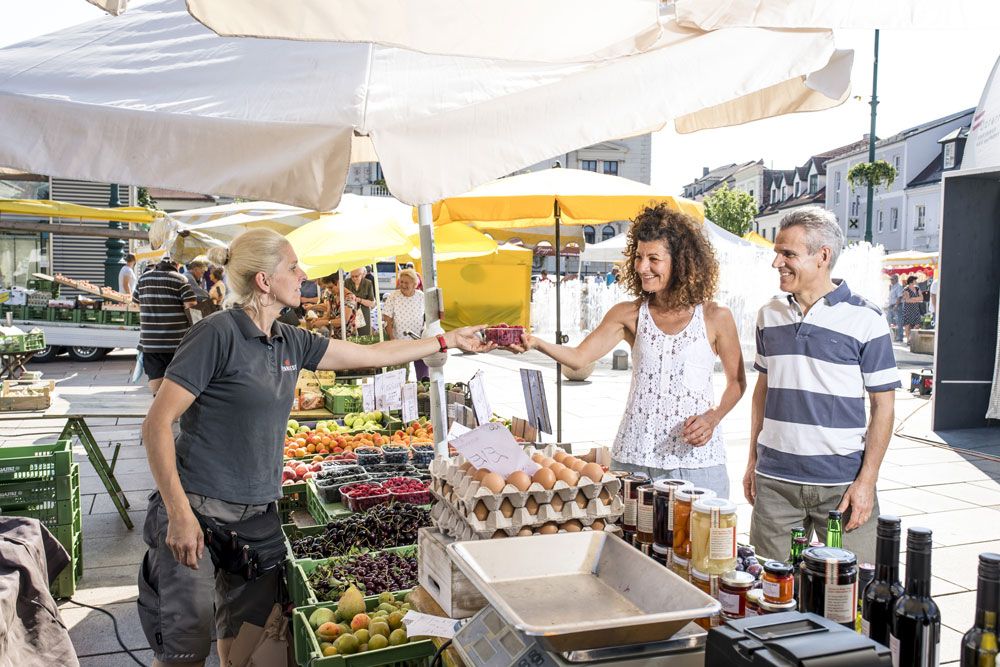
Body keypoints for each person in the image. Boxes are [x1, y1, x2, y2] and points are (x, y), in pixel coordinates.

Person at [137, 229, 493, 667]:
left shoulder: (291, 340)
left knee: (245, 639)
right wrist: (177, 513)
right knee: (184, 649)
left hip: (258, 516)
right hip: (198, 509)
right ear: (265, 281)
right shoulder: (216, 334)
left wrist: (447, 341)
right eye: (293, 266)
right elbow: (155, 425)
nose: (303, 274)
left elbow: (374, 354)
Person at [507, 204, 746, 498]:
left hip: (696, 463)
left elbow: (737, 383)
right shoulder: (629, 314)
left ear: (681, 262)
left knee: (701, 543)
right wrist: (536, 343)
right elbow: (580, 357)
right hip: (634, 460)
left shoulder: (715, 316)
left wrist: (713, 417)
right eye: (639, 257)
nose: (642, 267)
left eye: (654, 259)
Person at [744, 207, 899, 564]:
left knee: (855, 594)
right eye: (776, 253)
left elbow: (884, 407)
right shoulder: (769, 315)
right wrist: (752, 458)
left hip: (842, 485)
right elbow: (762, 394)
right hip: (775, 483)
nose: (777, 262)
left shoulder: (867, 319)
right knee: (772, 593)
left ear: (823, 256)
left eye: (788, 254)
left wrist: (867, 481)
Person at [133, 257, 197, 394]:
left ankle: (158, 403)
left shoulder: (143, 279)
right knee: (176, 383)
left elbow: (136, 302)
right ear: (177, 265)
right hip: (176, 341)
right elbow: (191, 305)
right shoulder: (180, 279)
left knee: (156, 383)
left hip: (150, 342)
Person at [382, 268, 428, 380]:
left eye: (406, 282)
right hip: (399, 341)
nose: (403, 285)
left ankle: (422, 391)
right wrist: (392, 338)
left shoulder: (421, 296)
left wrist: (426, 332)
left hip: (419, 340)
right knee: (400, 375)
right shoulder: (393, 296)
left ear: (414, 284)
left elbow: (428, 316)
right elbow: (386, 318)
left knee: (423, 376)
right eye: (401, 282)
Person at [345, 267, 376, 336]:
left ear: (363, 274)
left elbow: (372, 303)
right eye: (352, 276)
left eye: (356, 276)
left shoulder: (368, 283)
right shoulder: (347, 282)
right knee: (350, 334)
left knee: (364, 334)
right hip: (350, 311)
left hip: (364, 310)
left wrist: (359, 300)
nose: (354, 278)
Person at [901, 275, 924, 342]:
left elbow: (922, 298)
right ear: (912, 281)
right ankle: (908, 339)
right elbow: (907, 300)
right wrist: (917, 299)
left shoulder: (917, 288)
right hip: (908, 309)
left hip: (916, 308)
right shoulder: (906, 289)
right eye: (915, 280)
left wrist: (913, 299)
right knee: (907, 324)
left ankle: (912, 337)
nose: (916, 282)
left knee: (917, 324)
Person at [885, 273, 904, 342]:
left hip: (897, 305)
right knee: (888, 320)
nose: (891, 281)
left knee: (899, 321)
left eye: (892, 279)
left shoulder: (898, 286)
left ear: (896, 279)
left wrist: (896, 305)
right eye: (890, 279)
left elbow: (899, 297)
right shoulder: (892, 286)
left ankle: (900, 337)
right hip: (891, 306)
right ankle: (891, 335)